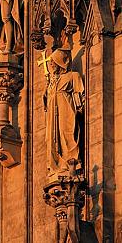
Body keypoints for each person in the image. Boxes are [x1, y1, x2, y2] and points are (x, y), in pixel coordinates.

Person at [43, 48, 84, 177]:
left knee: (67, 133)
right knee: (52, 137)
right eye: (51, 64)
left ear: (60, 62)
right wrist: (47, 91)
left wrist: (79, 107)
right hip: (52, 114)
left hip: (66, 110)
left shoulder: (73, 76)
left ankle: (71, 162)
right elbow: (46, 101)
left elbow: (80, 94)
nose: (51, 66)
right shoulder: (52, 81)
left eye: (54, 63)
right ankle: (57, 166)